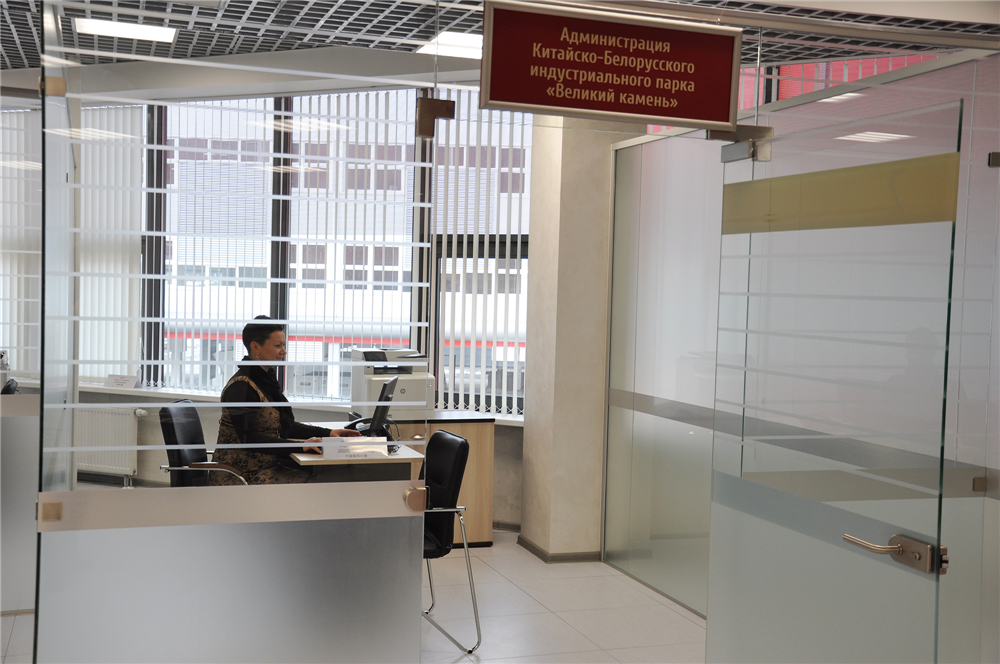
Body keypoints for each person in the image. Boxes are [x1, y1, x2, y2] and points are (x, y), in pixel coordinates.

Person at [211, 315, 359, 485]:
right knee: (321, 483)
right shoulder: (241, 388)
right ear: (255, 347)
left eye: (284, 345)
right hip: (241, 475)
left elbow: (283, 426)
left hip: (266, 467)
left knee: (328, 477)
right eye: (278, 346)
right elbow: (250, 439)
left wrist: (328, 434)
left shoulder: (265, 380)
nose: (283, 351)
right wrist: (300, 445)